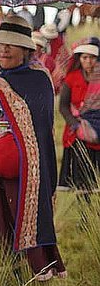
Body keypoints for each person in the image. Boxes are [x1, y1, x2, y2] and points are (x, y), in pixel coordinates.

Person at [0, 15, 66, 281]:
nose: (3, 50)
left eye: (11, 45)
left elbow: (38, 117)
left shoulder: (38, 79)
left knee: (16, 226)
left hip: (21, 177)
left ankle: (25, 278)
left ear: (26, 49)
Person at [58, 40, 100, 195]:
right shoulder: (72, 79)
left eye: (92, 58)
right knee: (81, 174)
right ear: (79, 59)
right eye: (84, 58)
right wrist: (75, 125)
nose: (88, 62)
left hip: (98, 130)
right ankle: (84, 211)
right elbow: (63, 106)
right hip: (77, 132)